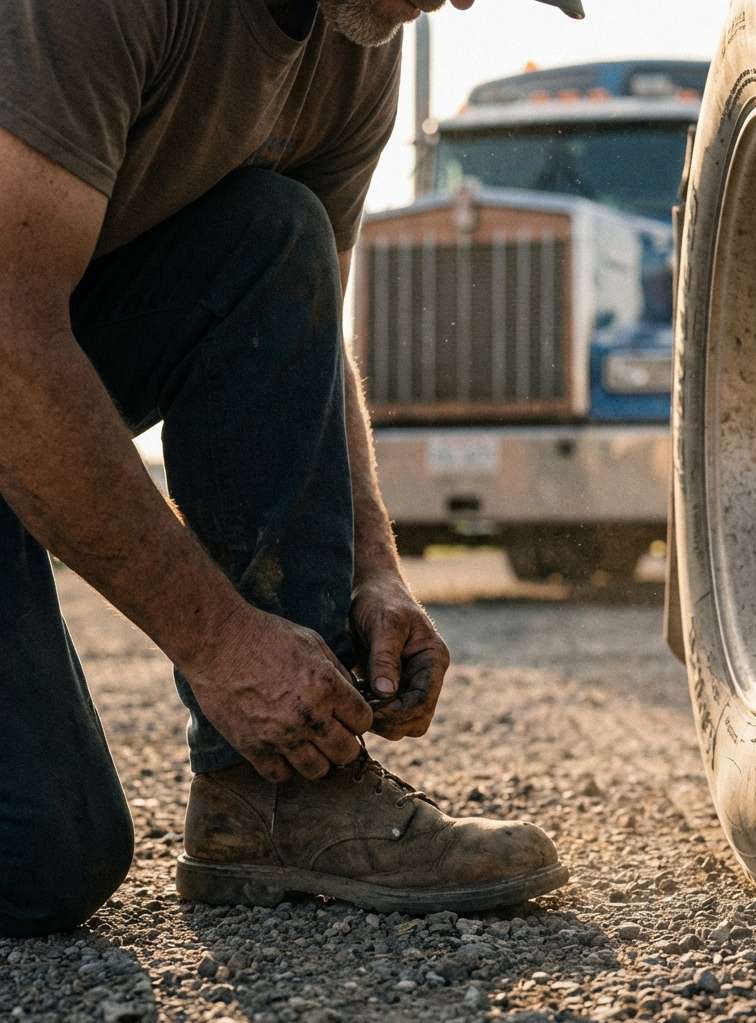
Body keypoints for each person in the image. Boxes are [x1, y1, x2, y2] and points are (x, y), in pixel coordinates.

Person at [0, 0, 585, 938]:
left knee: (276, 231)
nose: (464, 0)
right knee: (42, 861)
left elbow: (304, 331)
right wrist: (221, 642)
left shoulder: (359, 49)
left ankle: (275, 798)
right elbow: (10, 344)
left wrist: (375, 569)